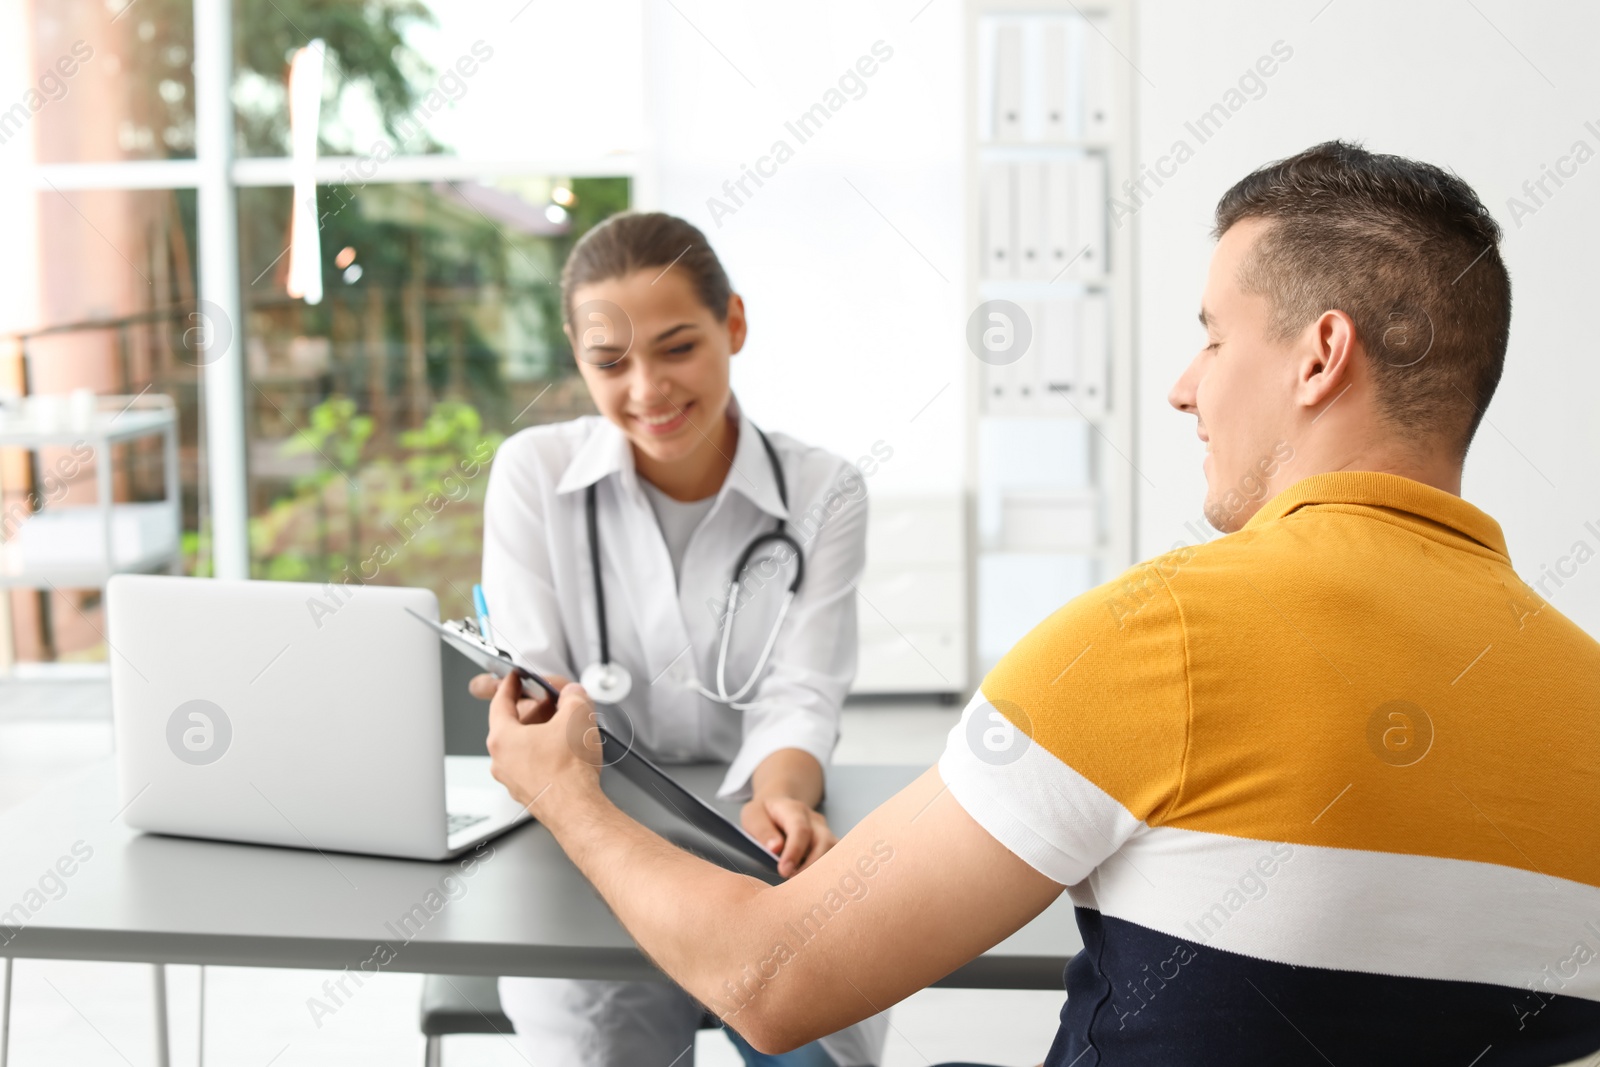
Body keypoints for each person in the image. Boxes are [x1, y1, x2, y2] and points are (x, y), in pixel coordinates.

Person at [482, 142, 1600, 1066]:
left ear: (1318, 357)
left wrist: (567, 794)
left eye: (1212, 334)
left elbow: (771, 982)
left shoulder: (1155, 636)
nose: (1183, 382)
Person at [472, 211, 889, 1066]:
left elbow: (801, 693)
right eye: (610, 361)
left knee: (809, 1042)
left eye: (677, 347)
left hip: (757, 850)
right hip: (589, 849)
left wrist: (783, 795)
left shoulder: (823, 491)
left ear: (732, 324)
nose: (648, 390)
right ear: (577, 354)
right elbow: (540, 694)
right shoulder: (532, 475)